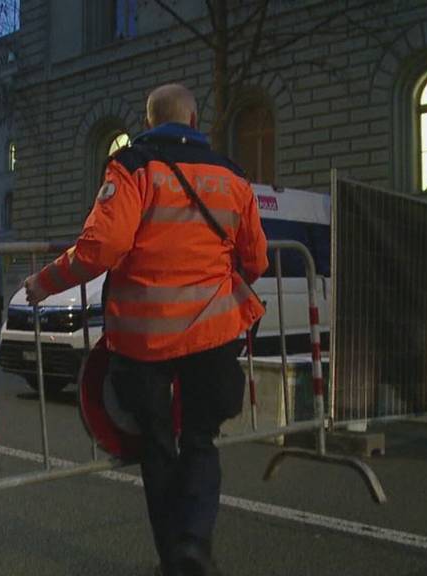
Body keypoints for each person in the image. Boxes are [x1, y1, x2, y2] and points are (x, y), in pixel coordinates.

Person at [24, 83, 268, 575]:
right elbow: (256, 259)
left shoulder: (132, 167)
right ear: (195, 119)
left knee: (157, 445)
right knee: (201, 440)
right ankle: (196, 544)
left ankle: (173, 557)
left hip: (143, 338)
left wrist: (42, 283)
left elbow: (100, 250)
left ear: (150, 120)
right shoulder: (233, 176)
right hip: (212, 334)